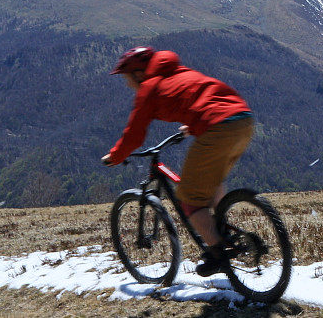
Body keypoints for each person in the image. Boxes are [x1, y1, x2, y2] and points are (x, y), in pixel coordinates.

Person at [101, 46, 254, 276]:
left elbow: (134, 134)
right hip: (243, 120)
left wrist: (115, 156)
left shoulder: (149, 88)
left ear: (138, 74)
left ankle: (218, 254)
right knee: (209, 183)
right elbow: (201, 97)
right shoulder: (179, 73)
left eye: (127, 78)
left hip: (217, 128)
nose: (127, 84)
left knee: (189, 199)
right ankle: (224, 230)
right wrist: (194, 124)